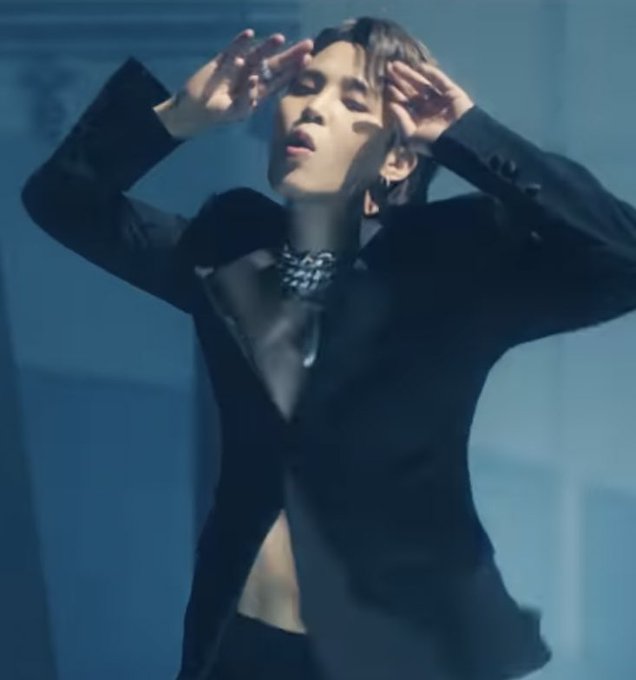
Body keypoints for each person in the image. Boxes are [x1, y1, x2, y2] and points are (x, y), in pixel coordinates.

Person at [20, 14, 636, 680]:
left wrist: (468, 133)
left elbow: (622, 258)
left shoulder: (455, 261)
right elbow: (61, 201)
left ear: (397, 158)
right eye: (304, 87)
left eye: (351, 100)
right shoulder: (231, 243)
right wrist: (177, 118)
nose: (313, 108)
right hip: (244, 648)